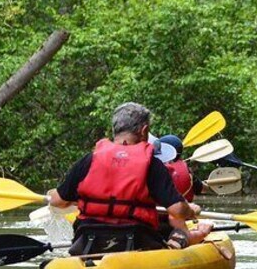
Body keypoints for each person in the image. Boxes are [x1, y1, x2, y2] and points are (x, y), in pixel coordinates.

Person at [46, 102, 212, 255]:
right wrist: (190, 210)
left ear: (114, 130)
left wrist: (67, 197)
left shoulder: (89, 160)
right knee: (180, 230)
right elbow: (177, 211)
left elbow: (57, 201)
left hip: (88, 241)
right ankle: (190, 238)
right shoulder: (151, 164)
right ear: (144, 130)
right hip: (138, 241)